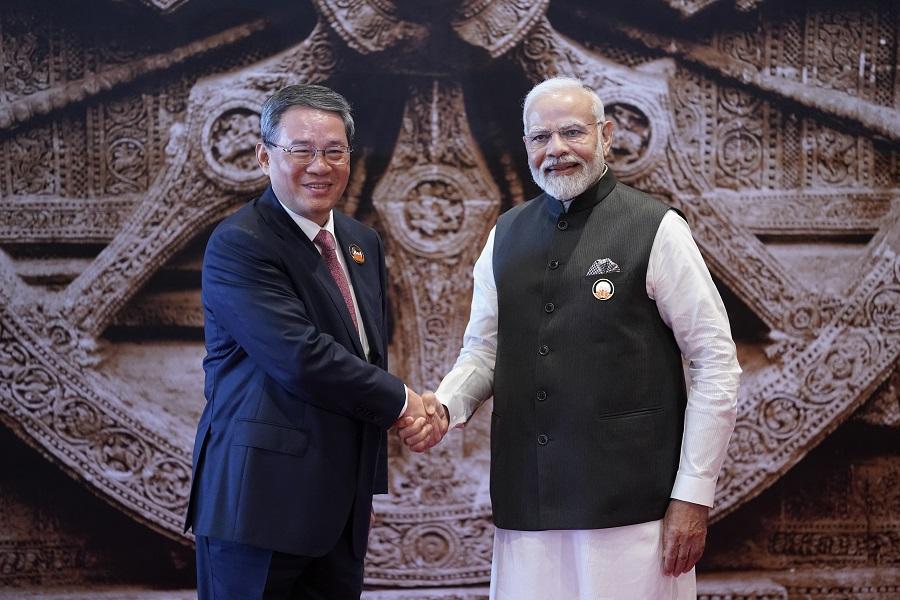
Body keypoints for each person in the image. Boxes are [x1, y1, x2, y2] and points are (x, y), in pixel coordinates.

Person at [401, 77, 741, 599]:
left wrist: (694, 494)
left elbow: (714, 361)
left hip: (634, 510)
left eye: (573, 133)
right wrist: (446, 406)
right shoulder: (504, 235)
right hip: (527, 502)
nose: (556, 149)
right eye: (541, 137)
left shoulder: (657, 228)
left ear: (606, 135)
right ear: (526, 147)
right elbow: (485, 351)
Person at [185, 84, 443, 600]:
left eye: (334, 151)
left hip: (338, 515)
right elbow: (302, 358)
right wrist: (405, 403)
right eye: (301, 150)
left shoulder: (361, 242)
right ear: (264, 157)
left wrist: (360, 491)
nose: (319, 166)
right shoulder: (240, 243)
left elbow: (367, 356)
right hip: (257, 509)